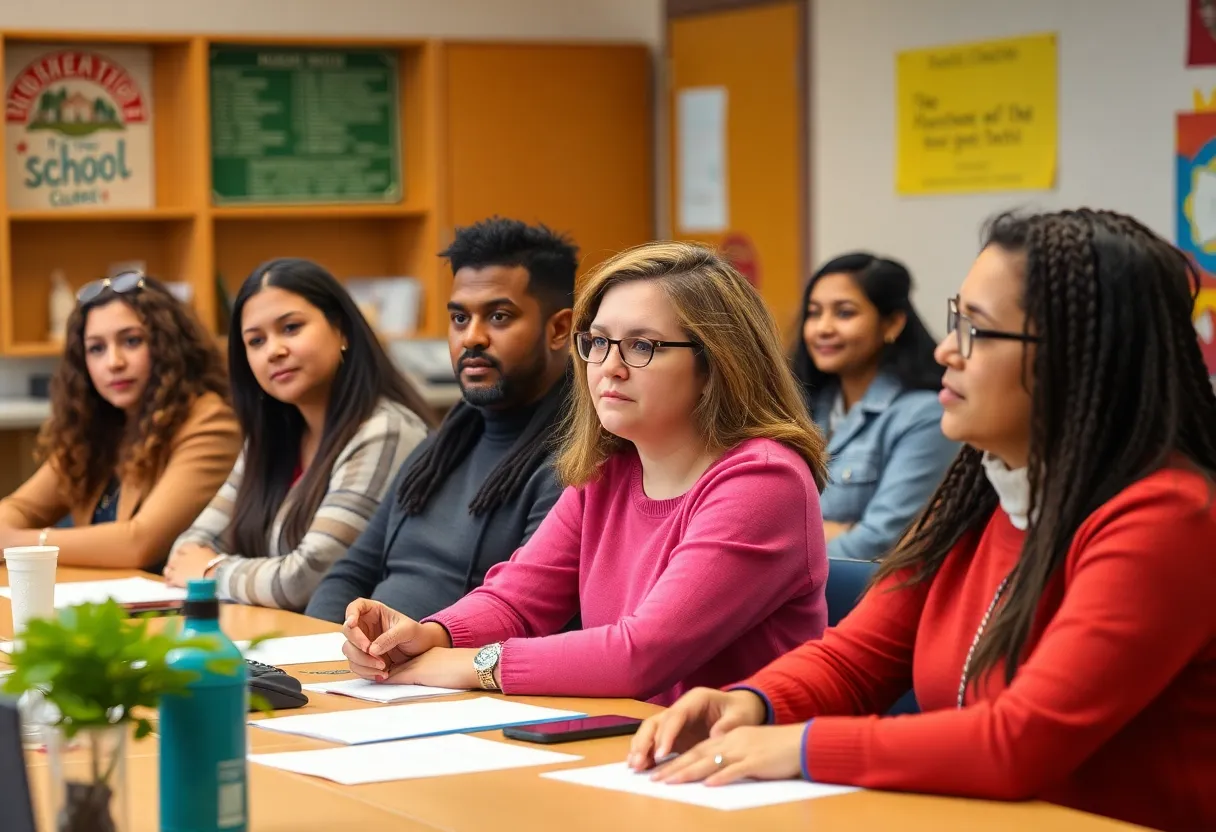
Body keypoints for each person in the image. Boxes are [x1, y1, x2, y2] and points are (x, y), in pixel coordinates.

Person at [628, 209, 1216, 832]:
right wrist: (751, 704)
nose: (944, 350)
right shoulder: (984, 489)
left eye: (976, 331)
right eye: (955, 319)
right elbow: (856, 659)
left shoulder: (1167, 517)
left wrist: (799, 749)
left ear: (1079, 357)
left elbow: (1018, 742)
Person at [339, 241, 831, 706]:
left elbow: (639, 655)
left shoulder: (764, 481)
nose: (608, 367)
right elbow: (516, 603)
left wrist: (465, 664)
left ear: (715, 365)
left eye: (642, 346)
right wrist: (426, 636)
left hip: (737, 772)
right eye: (598, 342)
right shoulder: (609, 471)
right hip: (626, 751)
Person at [306, 218, 576, 623]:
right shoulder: (444, 443)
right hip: (373, 673)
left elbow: (520, 614)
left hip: (459, 674)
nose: (472, 338)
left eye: (499, 317)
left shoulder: (573, 460)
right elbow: (350, 573)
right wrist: (325, 652)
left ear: (559, 329)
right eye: (459, 318)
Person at [164, 258, 432, 611]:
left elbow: (308, 579)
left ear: (342, 330)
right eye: (256, 341)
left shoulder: (386, 432)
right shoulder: (271, 437)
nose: (274, 351)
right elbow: (187, 550)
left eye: (291, 328)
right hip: (277, 638)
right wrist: (206, 566)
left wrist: (212, 571)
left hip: (351, 653)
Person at [0, 272, 240, 570]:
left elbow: (137, 544)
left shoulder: (210, 422)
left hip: (180, 609)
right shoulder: (96, 425)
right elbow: (19, 508)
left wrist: (18, 543)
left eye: (131, 341)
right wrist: (9, 533)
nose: (113, 362)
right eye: (96, 348)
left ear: (169, 346)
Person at [793, 253, 957, 561]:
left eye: (844, 313)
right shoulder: (805, 406)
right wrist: (835, 530)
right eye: (814, 314)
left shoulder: (925, 416)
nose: (823, 328)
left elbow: (881, 541)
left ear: (892, 323)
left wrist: (787, 555)